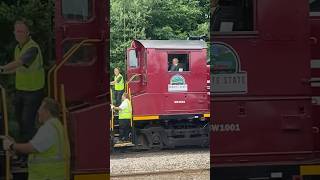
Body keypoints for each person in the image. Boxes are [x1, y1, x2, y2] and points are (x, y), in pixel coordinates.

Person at [0, 19, 45, 161]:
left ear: (27, 33)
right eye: (16, 31)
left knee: (27, 123)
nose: (18, 34)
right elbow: (17, 68)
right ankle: (23, 155)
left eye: (21, 31)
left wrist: (1, 68)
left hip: (33, 92)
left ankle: (30, 156)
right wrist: (3, 71)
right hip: (21, 91)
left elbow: (20, 63)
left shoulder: (32, 48)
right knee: (19, 123)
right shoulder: (18, 48)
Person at [1, 97, 65, 180]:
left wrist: (12, 145)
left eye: (40, 108)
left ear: (47, 111)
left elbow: (32, 148)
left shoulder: (48, 128)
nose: (38, 111)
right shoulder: (56, 125)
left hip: (46, 177)